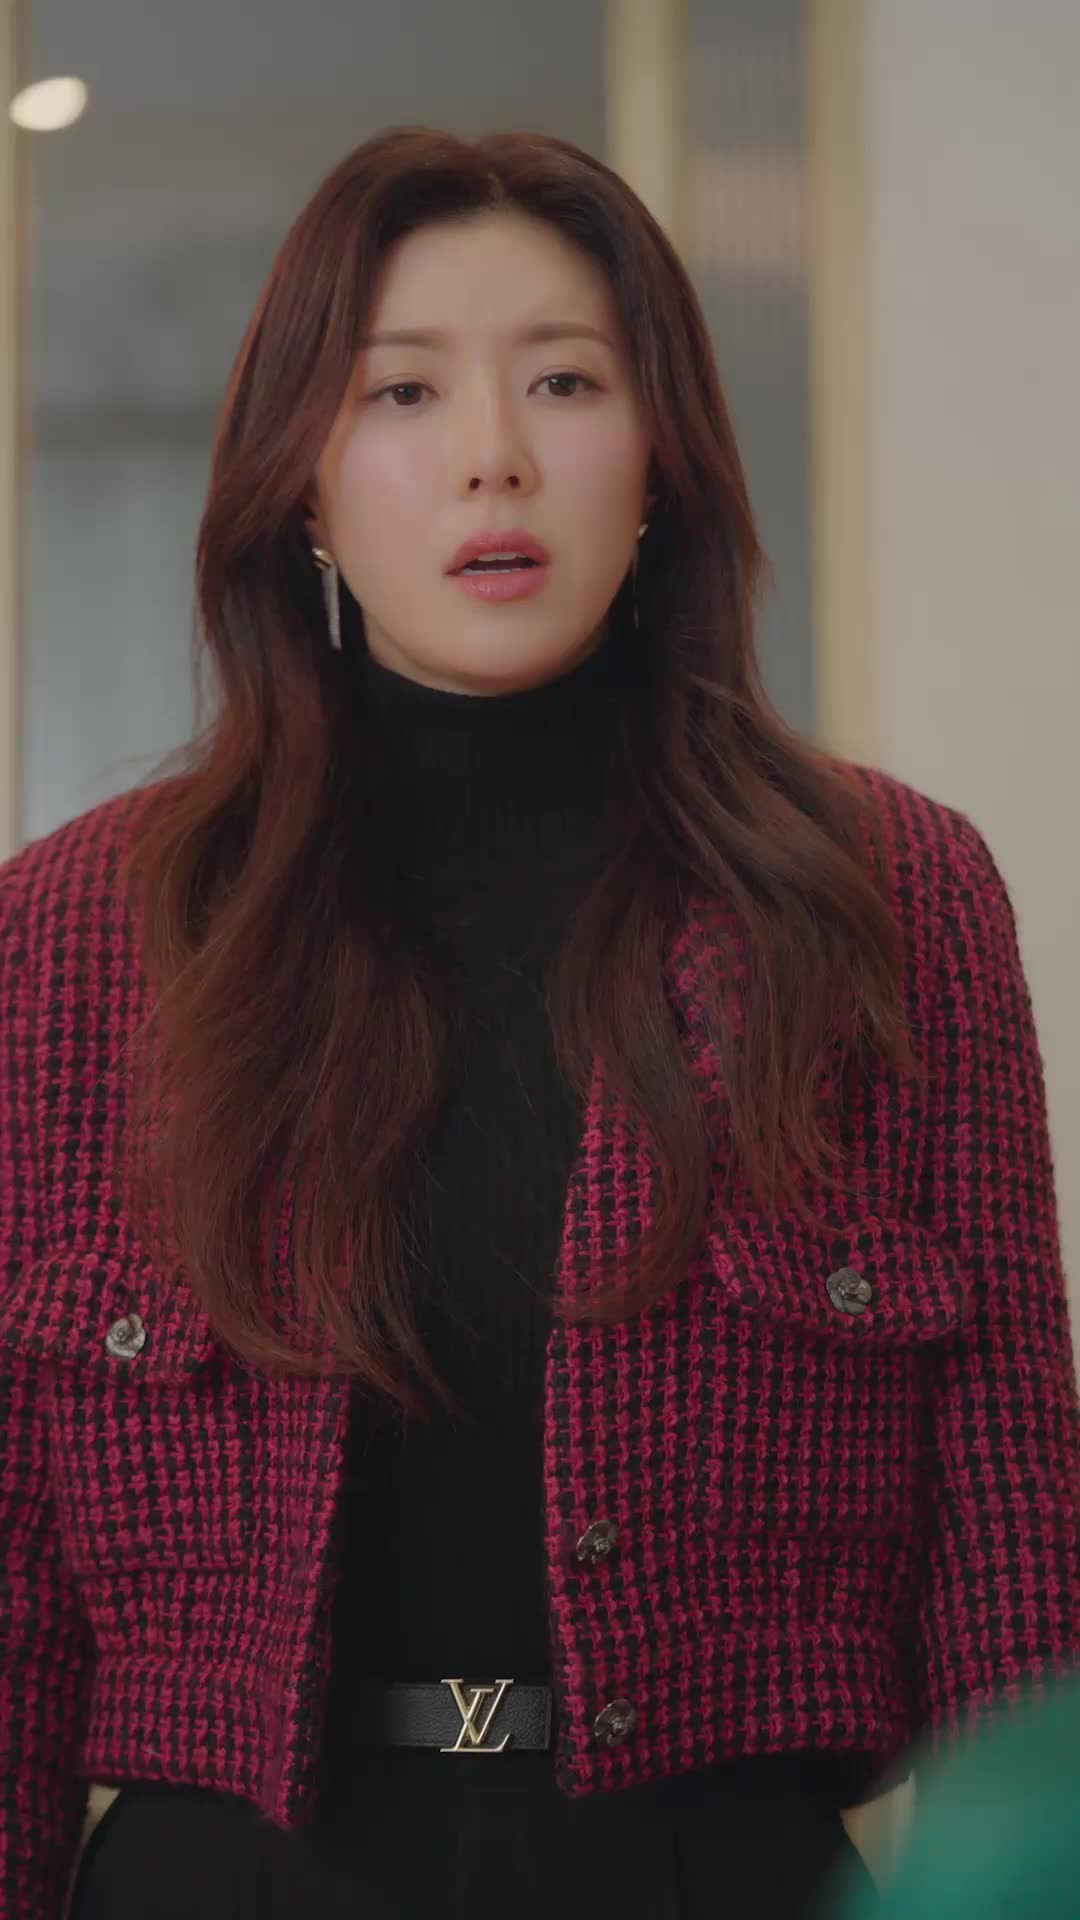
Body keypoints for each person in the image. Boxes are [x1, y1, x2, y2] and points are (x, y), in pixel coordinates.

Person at [0, 125, 1077, 1920]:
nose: (492, 454)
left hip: (714, 1871)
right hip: (227, 1878)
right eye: (402, 391)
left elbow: (1012, 1530)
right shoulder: (78, 935)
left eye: (565, 380)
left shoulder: (890, 894)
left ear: (660, 454)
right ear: (303, 481)